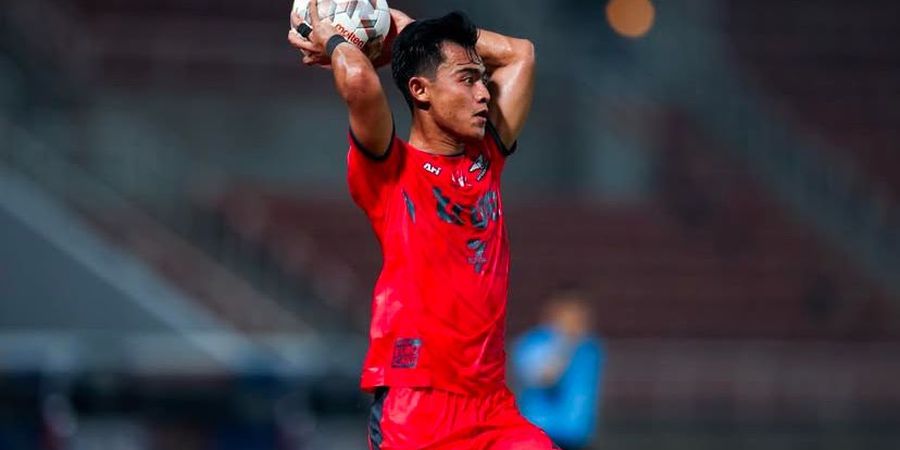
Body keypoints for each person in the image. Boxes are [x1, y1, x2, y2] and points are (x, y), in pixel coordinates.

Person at [287, 3, 552, 450]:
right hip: (416, 406)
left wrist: (407, 28)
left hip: (492, 409)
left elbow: (520, 53)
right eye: (468, 80)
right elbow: (356, 81)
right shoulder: (390, 171)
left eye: (482, 80)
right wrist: (336, 37)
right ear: (420, 90)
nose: (484, 92)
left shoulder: (487, 158)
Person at [511, 288, 605, 450]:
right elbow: (544, 378)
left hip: (578, 437)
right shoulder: (533, 343)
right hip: (543, 435)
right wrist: (565, 342)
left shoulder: (590, 347)